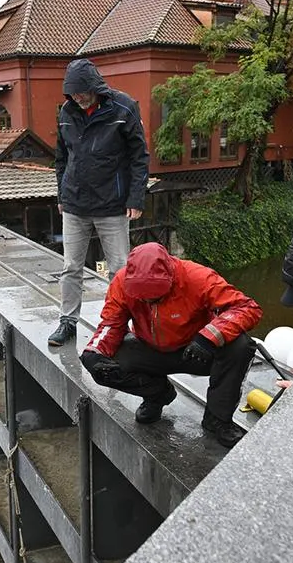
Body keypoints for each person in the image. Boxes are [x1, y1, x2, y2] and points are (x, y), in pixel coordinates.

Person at [80, 242, 262, 448]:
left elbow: (247, 307)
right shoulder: (120, 282)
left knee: (241, 346)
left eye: (155, 294)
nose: (149, 299)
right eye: (143, 296)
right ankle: (157, 394)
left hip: (197, 350)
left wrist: (209, 337)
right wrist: (93, 353)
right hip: (150, 349)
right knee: (105, 364)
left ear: (171, 275)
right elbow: (111, 323)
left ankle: (218, 419)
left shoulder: (198, 276)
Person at [48, 58, 150, 347]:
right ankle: (67, 322)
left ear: (93, 87)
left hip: (111, 205)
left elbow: (139, 157)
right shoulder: (67, 112)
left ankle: (120, 325)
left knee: (119, 270)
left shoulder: (123, 108)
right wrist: (61, 194)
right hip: (75, 204)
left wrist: (135, 197)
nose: (76, 98)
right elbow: (61, 158)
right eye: (72, 93)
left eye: (80, 92)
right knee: (71, 267)